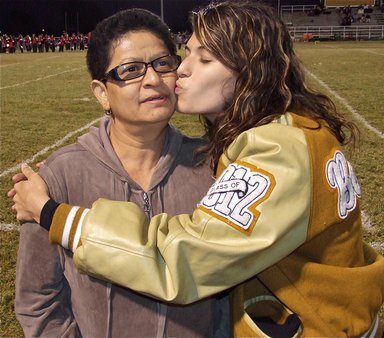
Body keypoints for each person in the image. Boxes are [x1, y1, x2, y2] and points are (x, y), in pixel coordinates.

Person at [10, 0, 384, 337]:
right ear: (101, 92)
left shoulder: (265, 153)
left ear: (251, 73)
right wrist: (68, 174)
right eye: (185, 54)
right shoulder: (277, 139)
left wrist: (55, 215)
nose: (175, 74)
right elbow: (39, 300)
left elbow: (185, 259)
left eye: (195, 60)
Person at [10, 8, 229, 338]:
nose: (153, 79)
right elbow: (38, 300)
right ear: (101, 93)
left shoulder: (216, 167)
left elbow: (229, 294)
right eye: (131, 70)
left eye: (163, 64)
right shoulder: (58, 177)